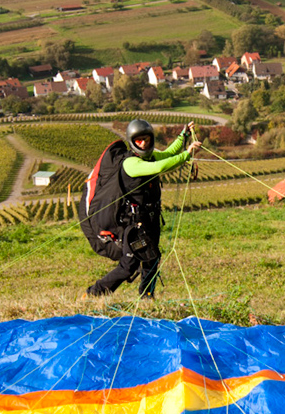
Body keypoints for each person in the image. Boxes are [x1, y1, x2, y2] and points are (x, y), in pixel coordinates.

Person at [80, 119, 199, 299]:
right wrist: (186, 155)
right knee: (129, 266)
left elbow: (167, 154)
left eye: (147, 139)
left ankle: (147, 296)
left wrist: (183, 136)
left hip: (151, 219)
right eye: (139, 140)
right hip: (135, 226)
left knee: (152, 259)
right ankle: (94, 293)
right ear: (132, 141)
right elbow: (160, 166)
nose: (143, 143)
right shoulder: (131, 163)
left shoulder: (149, 157)